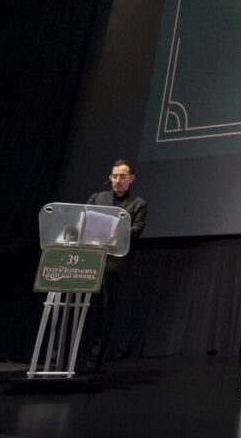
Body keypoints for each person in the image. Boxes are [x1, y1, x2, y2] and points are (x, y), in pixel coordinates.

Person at [84, 159, 147, 371]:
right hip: (88, 260)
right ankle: (66, 356)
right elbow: (84, 221)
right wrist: (110, 228)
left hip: (112, 265)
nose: (117, 180)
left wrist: (108, 228)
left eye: (122, 176)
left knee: (103, 313)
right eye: (114, 176)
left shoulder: (138, 204)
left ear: (131, 179)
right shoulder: (97, 198)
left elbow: (135, 231)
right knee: (82, 310)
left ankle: (95, 360)